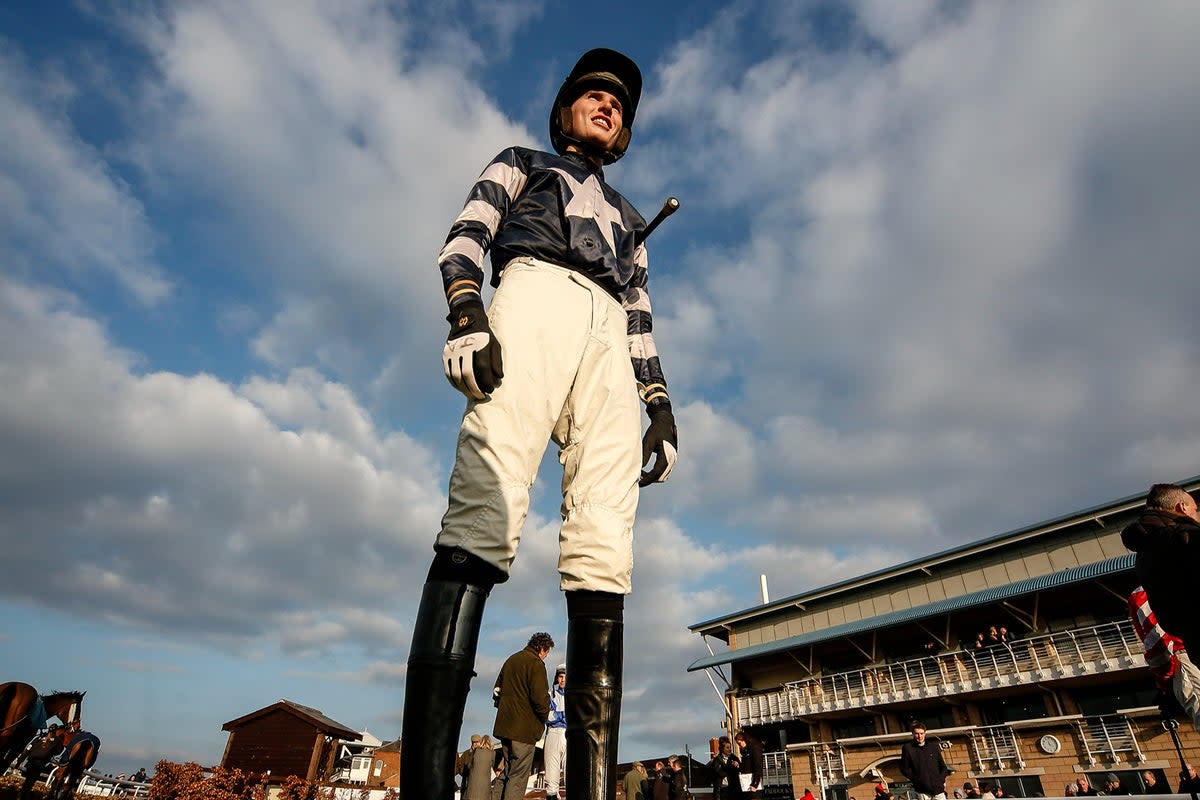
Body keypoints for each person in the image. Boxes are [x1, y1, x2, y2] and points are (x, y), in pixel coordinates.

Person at [399, 46, 678, 800]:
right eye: (593, 93)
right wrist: (467, 311)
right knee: (487, 496)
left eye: (620, 103)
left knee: (605, 542)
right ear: (563, 113)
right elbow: (468, 233)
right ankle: (424, 788)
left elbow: (641, 319)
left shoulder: (628, 220)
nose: (609, 104)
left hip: (607, 340)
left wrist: (659, 406)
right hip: (532, 294)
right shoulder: (521, 161)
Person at [1121, 484, 1200, 651]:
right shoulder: (1186, 536)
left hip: (1192, 641)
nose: (1196, 515)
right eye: (1195, 509)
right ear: (1182, 507)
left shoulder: (1144, 552)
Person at [490, 632, 553, 800]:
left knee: (507, 773)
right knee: (518, 778)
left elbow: (497, 692)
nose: (546, 656)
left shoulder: (511, 660)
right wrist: (548, 716)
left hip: (504, 727)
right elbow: (540, 699)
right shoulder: (536, 664)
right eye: (547, 652)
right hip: (524, 731)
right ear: (541, 648)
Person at [899, 722, 952, 800]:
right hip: (922, 790)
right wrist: (917, 780)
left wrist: (941, 780)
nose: (919, 736)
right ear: (913, 734)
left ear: (925, 733)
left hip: (938, 789)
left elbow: (943, 766)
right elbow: (904, 768)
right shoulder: (908, 748)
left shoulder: (933, 747)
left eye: (921, 733)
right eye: (917, 734)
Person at [18, 725, 65, 800]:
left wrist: (19, 760)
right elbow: (58, 752)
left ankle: (22, 794)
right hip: (39, 764)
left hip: (30, 762)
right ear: (56, 731)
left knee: (28, 782)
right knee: (30, 782)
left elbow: (27, 749)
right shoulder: (57, 740)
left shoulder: (39, 737)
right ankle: (23, 795)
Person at [544, 665, 567, 798]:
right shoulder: (550, 695)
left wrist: (557, 715)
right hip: (553, 734)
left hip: (569, 735)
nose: (563, 680)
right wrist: (563, 715)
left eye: (565, 677)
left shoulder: (575, 696)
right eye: (560, 677)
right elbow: (546, 716)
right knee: (551, 778)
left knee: (572, 775)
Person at [463, 735, 497, 800]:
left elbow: (468, 765)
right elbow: (492, 765)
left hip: (473, 784)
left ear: (481, 742)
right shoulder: (493, 753)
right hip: (485, 784)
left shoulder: (475, 751)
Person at [735, 730, 764, 798]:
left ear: (744, 740)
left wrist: (755, 783)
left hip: (753, 786)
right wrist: (739, 765)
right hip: (747, 784)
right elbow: (746, 766)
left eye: (739, 744)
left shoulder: (755, 747)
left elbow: (758, 765)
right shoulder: (746, 751)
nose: (739, 746)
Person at [708, 736, 739, 800]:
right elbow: (719, 773)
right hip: (721, 790)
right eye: (727, 747)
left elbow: (739, 771)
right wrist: (731, 766)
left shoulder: (735, 758)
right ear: (722, 748)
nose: (729, 749)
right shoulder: (717, 760)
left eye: (730, 747)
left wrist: (738, 766)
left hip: (733, 789)